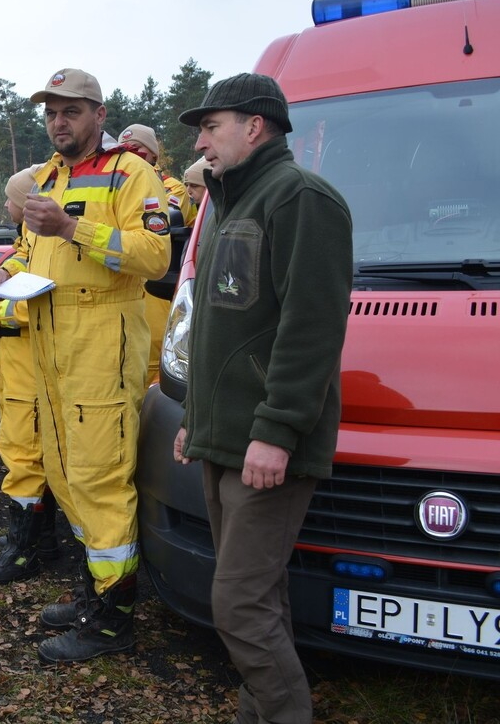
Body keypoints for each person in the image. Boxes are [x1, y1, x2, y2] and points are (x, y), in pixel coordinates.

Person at [173, 73, 352, 724]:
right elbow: (222, 329)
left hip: (266, 445)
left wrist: (276, 432)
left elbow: (311, 329)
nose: (201, 141)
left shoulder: (300, 199)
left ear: (255, 125)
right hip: (226, 440)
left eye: (211, 125)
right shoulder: (228, 205)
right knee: (260, 599)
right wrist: (194, 419)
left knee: (240, 606)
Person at [0, 68, 170, 663]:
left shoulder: (131, 172)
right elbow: (33, 252)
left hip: (100, 343)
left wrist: (71, 227)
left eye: (70, 111)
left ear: (98, 113)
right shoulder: (45, 175)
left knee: (100, 476)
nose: (58, 122)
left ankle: (114, 620)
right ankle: (90, 591)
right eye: (50, 113)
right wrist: (5, 273)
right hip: (46, 344)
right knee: (63, 472)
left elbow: (152, 254)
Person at [0, 166, 60, 584]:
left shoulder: (52, 240)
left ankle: (23, 551)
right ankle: (41, 543)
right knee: (19, 449)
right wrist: (4, 274)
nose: (5, 205)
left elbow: (46, 300)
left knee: (24, 455)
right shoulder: (31, 238)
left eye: (9, 198)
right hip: (17, 360)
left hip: (30, 362)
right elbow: (26, 265)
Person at [118, 124, 192, 387]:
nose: (131, 155)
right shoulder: (114, 187)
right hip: (125, 297)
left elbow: (158, 224)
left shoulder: (171, 188)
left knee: (156, 381)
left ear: (152, 155)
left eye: (137, 149)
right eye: (125, 150)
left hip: (159, 295)